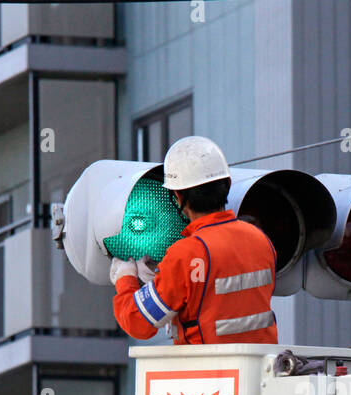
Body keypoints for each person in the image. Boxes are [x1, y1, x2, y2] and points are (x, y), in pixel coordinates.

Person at [110, 135, 278, 344]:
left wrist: (125, 279)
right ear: (227, 183)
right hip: (259, 367)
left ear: (178, 196)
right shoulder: (260, 240)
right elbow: (223, 295)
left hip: (206, 372)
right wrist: (162, 282)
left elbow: (138, 323)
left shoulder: (187, 253)